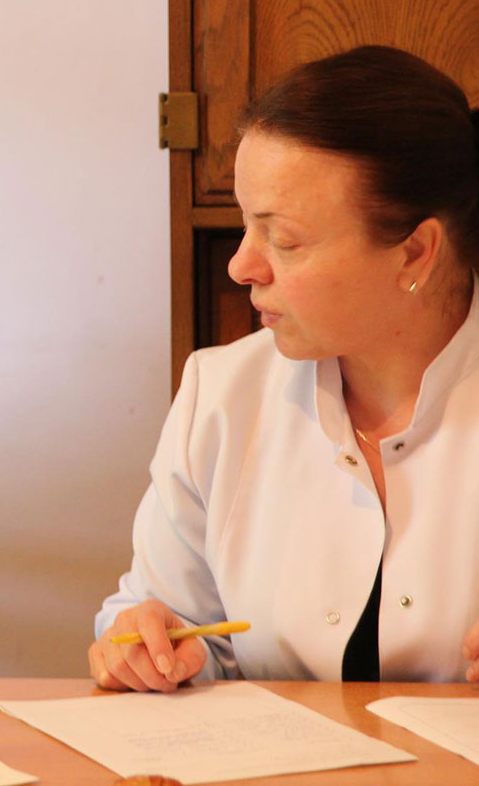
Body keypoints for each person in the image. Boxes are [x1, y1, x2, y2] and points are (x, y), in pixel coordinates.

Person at [91, 45, 479, 692]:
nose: (241, 265)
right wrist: (146, 644)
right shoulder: (221, 397)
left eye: (284, 239)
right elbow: (166, 616)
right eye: (246, 225)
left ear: (415, 252)